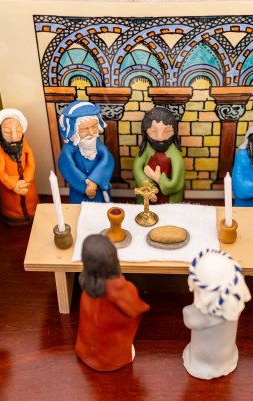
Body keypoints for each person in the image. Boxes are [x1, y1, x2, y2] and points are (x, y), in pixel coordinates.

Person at [75, 235, 149, 371]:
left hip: (86, 349)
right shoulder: (121, 290)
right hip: (111, 356)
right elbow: (135, 309)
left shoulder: (87, 287)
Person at [182, 249, 251, 380]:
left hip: (200, 360)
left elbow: (189, 317)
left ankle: (204, 365)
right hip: (226, 356)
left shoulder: (203, 315)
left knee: (204, 353)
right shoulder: (232, 305)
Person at [57, 101, 114, 204]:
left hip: (97, 188)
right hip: (79, 191)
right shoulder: (69, 149)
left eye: (94, 127)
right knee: (79, 209)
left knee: (100, 208)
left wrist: (95, 180)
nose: (91, 133)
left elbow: (107, 160)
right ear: (74, 130)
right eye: (85, 129)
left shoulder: (97, 144)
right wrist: (85, 185)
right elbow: (67, 167)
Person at [0, 108, 39, 225]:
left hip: (26, 181)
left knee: (30, 198)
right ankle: (14, 216)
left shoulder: (22, 141)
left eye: (18, 130)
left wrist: (27, 177)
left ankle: (33, 211)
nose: (14, 136)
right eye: (7, 132)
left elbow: (30, 157)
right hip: (10, 184)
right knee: (13, 203)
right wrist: (13, 184)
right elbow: (0, 171)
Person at [133, 106, 185, 204]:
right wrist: (148, 187)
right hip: (148, 195)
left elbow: (177, 182)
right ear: (145, 131)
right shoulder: (145, 149)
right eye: (153, 131)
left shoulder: (175, 154)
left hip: (169, 198)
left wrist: (158, 179)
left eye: (167, 131)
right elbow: (137, 169)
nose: (160, 138)